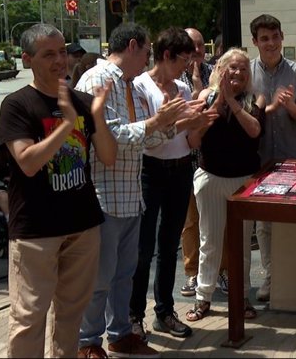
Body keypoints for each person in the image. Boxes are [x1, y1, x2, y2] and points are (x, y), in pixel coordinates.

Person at [0, 23, 116, 358]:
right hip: (35, 231)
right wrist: (66, 125)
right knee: (29, 318)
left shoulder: (83, 102)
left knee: (70, 316)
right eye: (49, 54)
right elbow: (27, 162)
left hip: (82, 226)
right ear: (27, 59)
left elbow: (108, 157)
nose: (60, 60)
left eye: (63, 51)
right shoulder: (17, 105)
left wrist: (98, 117)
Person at [75, 23, 188, 358]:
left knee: (125, 272)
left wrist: (171, 125)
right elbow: (111, 136)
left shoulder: (134, 88)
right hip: (102, 196)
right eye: (148, 51)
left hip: (129, 195)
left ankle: (120, 332)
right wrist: (157, 123)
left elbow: (145, 141)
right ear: (134, 46)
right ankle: (87, 341)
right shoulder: (99, 80)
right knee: (100, 277)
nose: (149, 58)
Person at [129, 27, 212, 341]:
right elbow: (145, 135)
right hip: (150, 170)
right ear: (165, 56)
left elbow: (189, 140)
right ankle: (134, 314)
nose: (186, 69)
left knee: (169, 246)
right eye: (182, 61)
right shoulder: (139, 86)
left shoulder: (182, 86)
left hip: (180, 169)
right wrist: (184, 122)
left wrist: (202, 124)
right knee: (143, 246)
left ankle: (164, 311)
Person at [185, 48, 265, 322]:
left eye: (243, 68)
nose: (238, 73)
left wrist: (233, 102)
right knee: (210, 241)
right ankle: (203, 297)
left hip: (244, 181)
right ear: (220, 70)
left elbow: (254, 130)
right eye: (232, 67)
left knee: (241, 243)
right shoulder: (204, 98)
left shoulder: (255, 99)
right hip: (211, 178)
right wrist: (218, 100)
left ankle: (240, 297)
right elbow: (194, 139)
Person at [250, 14, 296, 302]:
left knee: (291, 220)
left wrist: (291, 108)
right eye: (264, 38)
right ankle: (270, 277)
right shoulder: (246, 73)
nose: (271, 43)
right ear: (255, 42)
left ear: (282, 37)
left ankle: (293, 276)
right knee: (263, 224)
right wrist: (269, 108)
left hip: (290, 158)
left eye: (275, 37)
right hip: (259, 159)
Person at [178, 27, 223, 298]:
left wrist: (201, 90)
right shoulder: (175, 76)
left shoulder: (214, 74)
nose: (196, 51)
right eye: (190, 46)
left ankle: (222, 272)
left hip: (211, 158)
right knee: (191, 222)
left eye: (199, 46)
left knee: (217, 221)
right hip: (185, 158)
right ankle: (193, 272)